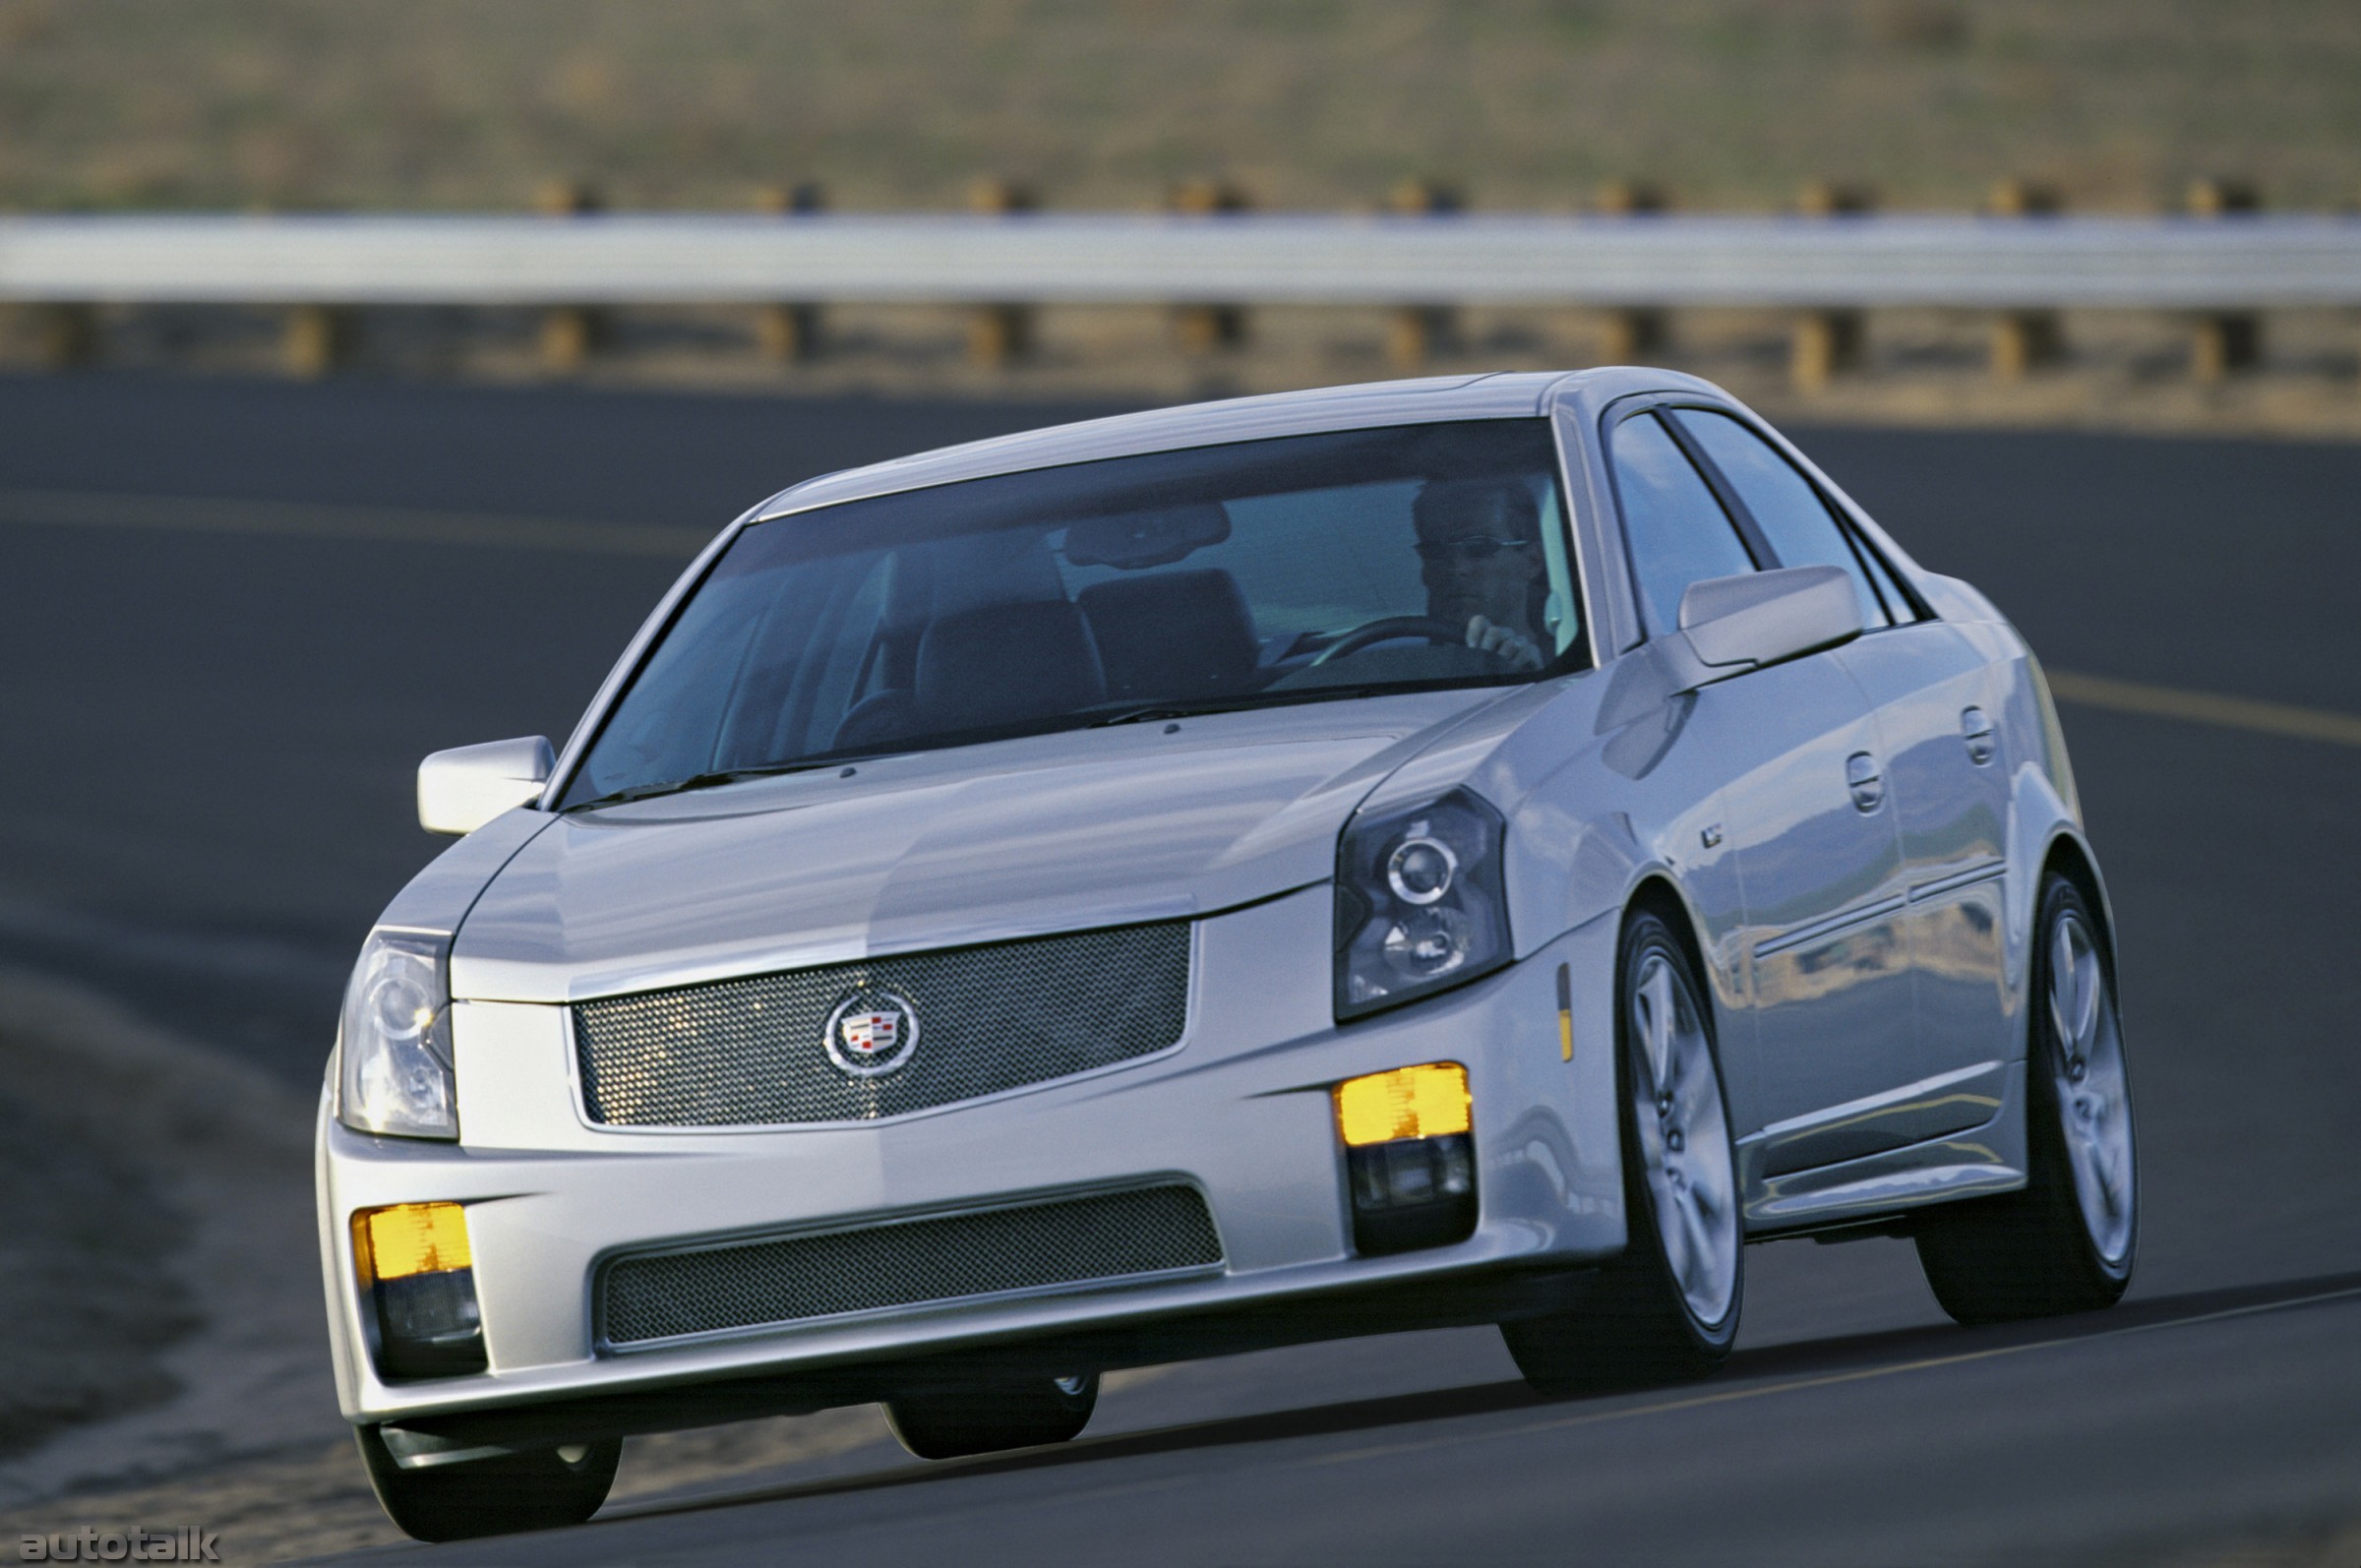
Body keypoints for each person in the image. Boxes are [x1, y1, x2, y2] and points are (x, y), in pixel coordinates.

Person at [1411, 477, 1548, 670]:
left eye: (1481, 547)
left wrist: (1532, 674)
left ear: (1533, 561)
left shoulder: (1576, 669)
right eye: (1436, 551)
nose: (1457, 568)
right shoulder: (1400, 670)